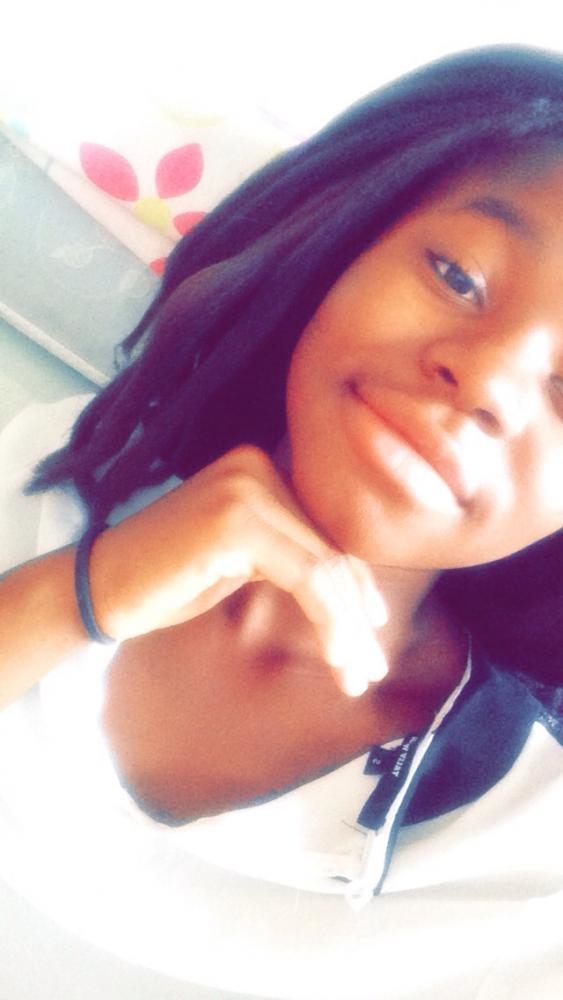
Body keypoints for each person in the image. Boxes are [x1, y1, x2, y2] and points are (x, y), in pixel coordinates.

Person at [2, 43, 563, 998]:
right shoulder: (45, 474)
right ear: (345, 244)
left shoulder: (533, 870)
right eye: (457, 275)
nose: (484, 380)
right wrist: (74, 597)